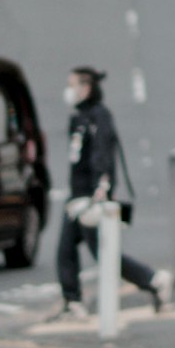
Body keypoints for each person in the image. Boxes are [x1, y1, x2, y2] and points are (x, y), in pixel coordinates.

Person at [55, 67, 133, 312]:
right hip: (77, 193)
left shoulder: (99, 116)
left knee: (103, 253)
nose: (69, 91)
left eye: (73, 85)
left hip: (91, 195)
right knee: (66, 250)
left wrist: (101, 186)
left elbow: (102, 152)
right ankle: (72, 299)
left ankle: (151, 280)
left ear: (86, 88)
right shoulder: (79, 115)